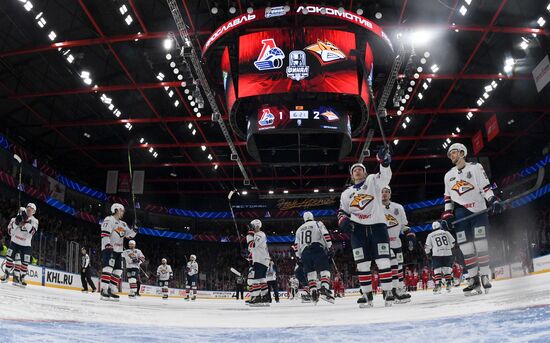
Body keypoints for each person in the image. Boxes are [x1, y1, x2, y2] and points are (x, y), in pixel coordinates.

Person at [441, 143, 503, 296]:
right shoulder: (448, 175)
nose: (451, 156)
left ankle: (485, 276)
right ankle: (473, 279)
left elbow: (486, 188)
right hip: (461, 213)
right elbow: (448, 198)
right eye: (450, 154)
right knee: (466, 248)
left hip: (479, 210)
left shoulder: (476, 167)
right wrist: (447, 214)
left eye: (453, 153)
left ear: (462, 153)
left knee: (481, 244)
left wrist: (493, 200)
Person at [337, 147, 394, 308]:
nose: (357, 171)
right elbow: (342, 211)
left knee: (383, 261)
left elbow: (385, 177)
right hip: (358, 230)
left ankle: (388, 291)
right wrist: (342, 220)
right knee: (362, 264)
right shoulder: (346, 193)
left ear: (365, 172)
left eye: (360, 169)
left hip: (377, 226)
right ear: (351, 175)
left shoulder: (372, 182)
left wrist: (384, 162)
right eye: (354, 170)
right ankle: (366, 294)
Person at [295, 211, 335, 304]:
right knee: (325, 270)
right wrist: (330, 247)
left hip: (305, 252)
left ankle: (313, 292)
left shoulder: (299, 229)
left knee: (310, 273)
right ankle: (324, 289)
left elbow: (296, 245)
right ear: (312, 217)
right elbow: (326, 235)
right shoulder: (318, 223)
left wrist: (298, 257)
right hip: (317, 248)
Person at [100, 203, 137, 301]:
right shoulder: (109, 219)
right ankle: (103, 290)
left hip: (119, 251)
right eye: (122, 210)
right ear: (116, 210)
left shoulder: (123, 224)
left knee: (118, 271)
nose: (123, 212)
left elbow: (129, 236)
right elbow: (105, 233)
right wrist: (107, 245)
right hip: (109, 248)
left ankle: (111, 290)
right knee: (108, 269)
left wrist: (135, 229)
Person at [381, 186, 411, 303]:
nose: (384, 194)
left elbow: (404, 226)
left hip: (396, 242)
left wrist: (410, 235)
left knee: (398, 266)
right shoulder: (376, 208)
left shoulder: (398, 207)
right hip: (383, 243)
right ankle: (388, 291)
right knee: (388, 267)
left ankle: (398, 288)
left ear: (390, 194)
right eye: (382, 192)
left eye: (387, 192)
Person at [1, 203, 39, 287]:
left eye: (32, 209)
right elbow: (10, 232)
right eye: (28, 207)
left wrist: (25, 223)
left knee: (25, 263)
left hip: (26, 245)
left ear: (34, 212)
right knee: (9, 259)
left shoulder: (34, 221)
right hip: (14, 242)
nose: (29, 209)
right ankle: (6, 275)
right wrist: (16, 223)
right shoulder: (14, 219)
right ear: (25, 208)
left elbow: (32, 232)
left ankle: (22, 278)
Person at [425, 221, 456, 293]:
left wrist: (428, 254)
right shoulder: (446, 232)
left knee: (437, 269)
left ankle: (438, 285)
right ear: (439, 226)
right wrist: (448, 247)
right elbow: (453, 242)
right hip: (448, 252)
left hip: (437, 253)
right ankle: (448, 284)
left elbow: (427, 247)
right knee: (446, 269)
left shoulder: (430, 235)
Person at [246, 219, 270, 306]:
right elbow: (252, 249)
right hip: (261, 259)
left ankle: (257, 297)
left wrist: (249, 234)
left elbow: (252, 245)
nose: (250, 228)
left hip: (261, 260)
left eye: (252, 226)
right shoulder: (259, 234)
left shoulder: (260, 234)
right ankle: (265, 297)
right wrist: (249, 256)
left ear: (256, 226)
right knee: (261, 279)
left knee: (254, 279)